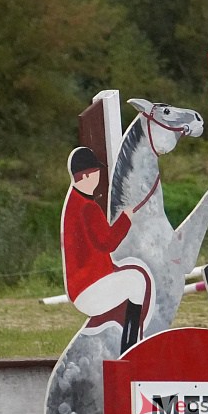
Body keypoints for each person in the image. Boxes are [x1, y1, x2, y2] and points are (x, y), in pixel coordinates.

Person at [60, 146, 150, 351]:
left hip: (84, 285)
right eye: (97, 173)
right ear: (87, 175)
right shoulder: (87, 207)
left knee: (131, 276)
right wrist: (126, 219)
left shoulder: (76, 201)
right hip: (88, 288)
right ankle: (130, 345)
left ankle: (124, 336)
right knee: (138, 281)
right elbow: (108, 242)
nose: (100, 177)